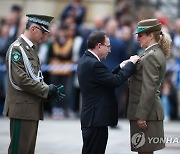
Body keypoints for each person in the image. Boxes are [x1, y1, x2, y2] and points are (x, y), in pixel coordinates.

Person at [3, 14, 65, 154]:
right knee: (19, 150)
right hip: (22, 109)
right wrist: (46, 89)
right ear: (33, 29)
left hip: (30, 107)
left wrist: (47, 92)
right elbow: (21, 80)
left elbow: (35, 77)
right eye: (43, 32)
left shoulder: (30, 48)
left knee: (28, 150)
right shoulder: (17, 49)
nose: (44, 36)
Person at [77, 31, 139, 154]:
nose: (109, 50)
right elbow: (116, 81)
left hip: (92, 119)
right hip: (96, 120)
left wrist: (120, 67)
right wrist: (131, 64)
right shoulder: (93, 64)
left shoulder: (87, 60)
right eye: (108, 46)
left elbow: (106, 79)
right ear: (99, 46)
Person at [126, 19, 172, 154]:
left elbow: (149, 88)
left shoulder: (151, 56)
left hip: (147, 114)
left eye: (141, 35)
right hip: (148, 113)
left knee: (145, 151)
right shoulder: (151, 53)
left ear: (151, 35)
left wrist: (142, 115)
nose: (138, 39)